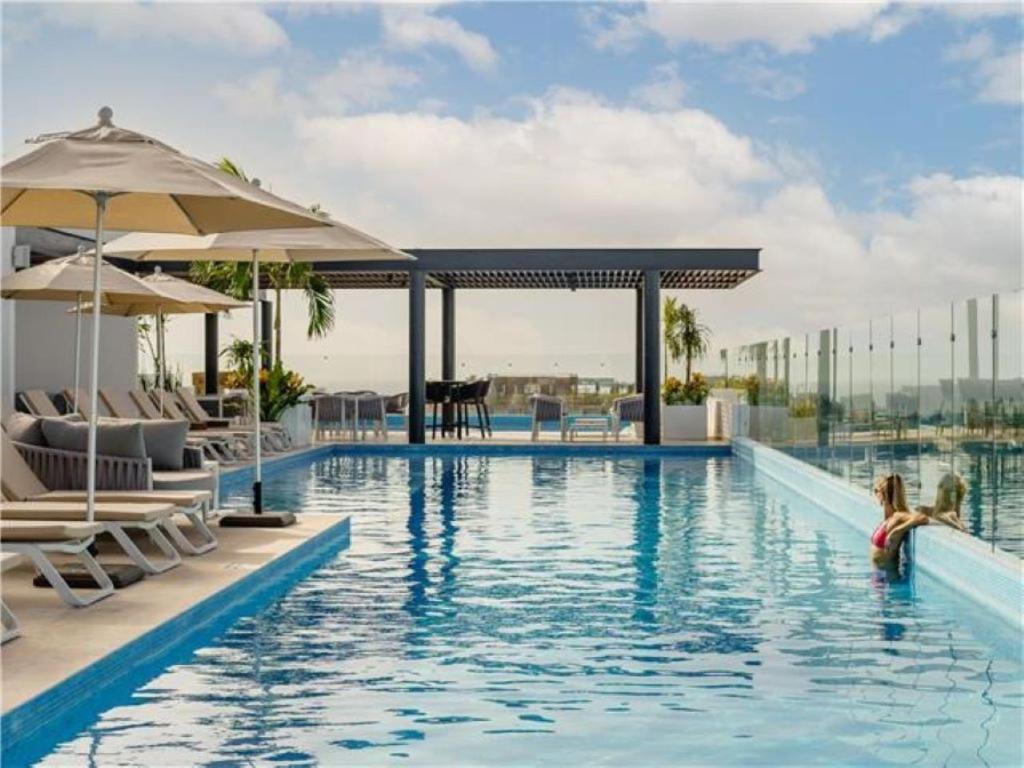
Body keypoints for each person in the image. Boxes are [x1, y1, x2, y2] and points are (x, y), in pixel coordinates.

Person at [871, 473, 928, 571]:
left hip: (888, 580)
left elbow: (923, 517)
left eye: (876, 490)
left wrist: (897, 531)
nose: (875, 493)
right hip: (879, 577)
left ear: (882, 494)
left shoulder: (898, 516)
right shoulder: (890, 518)